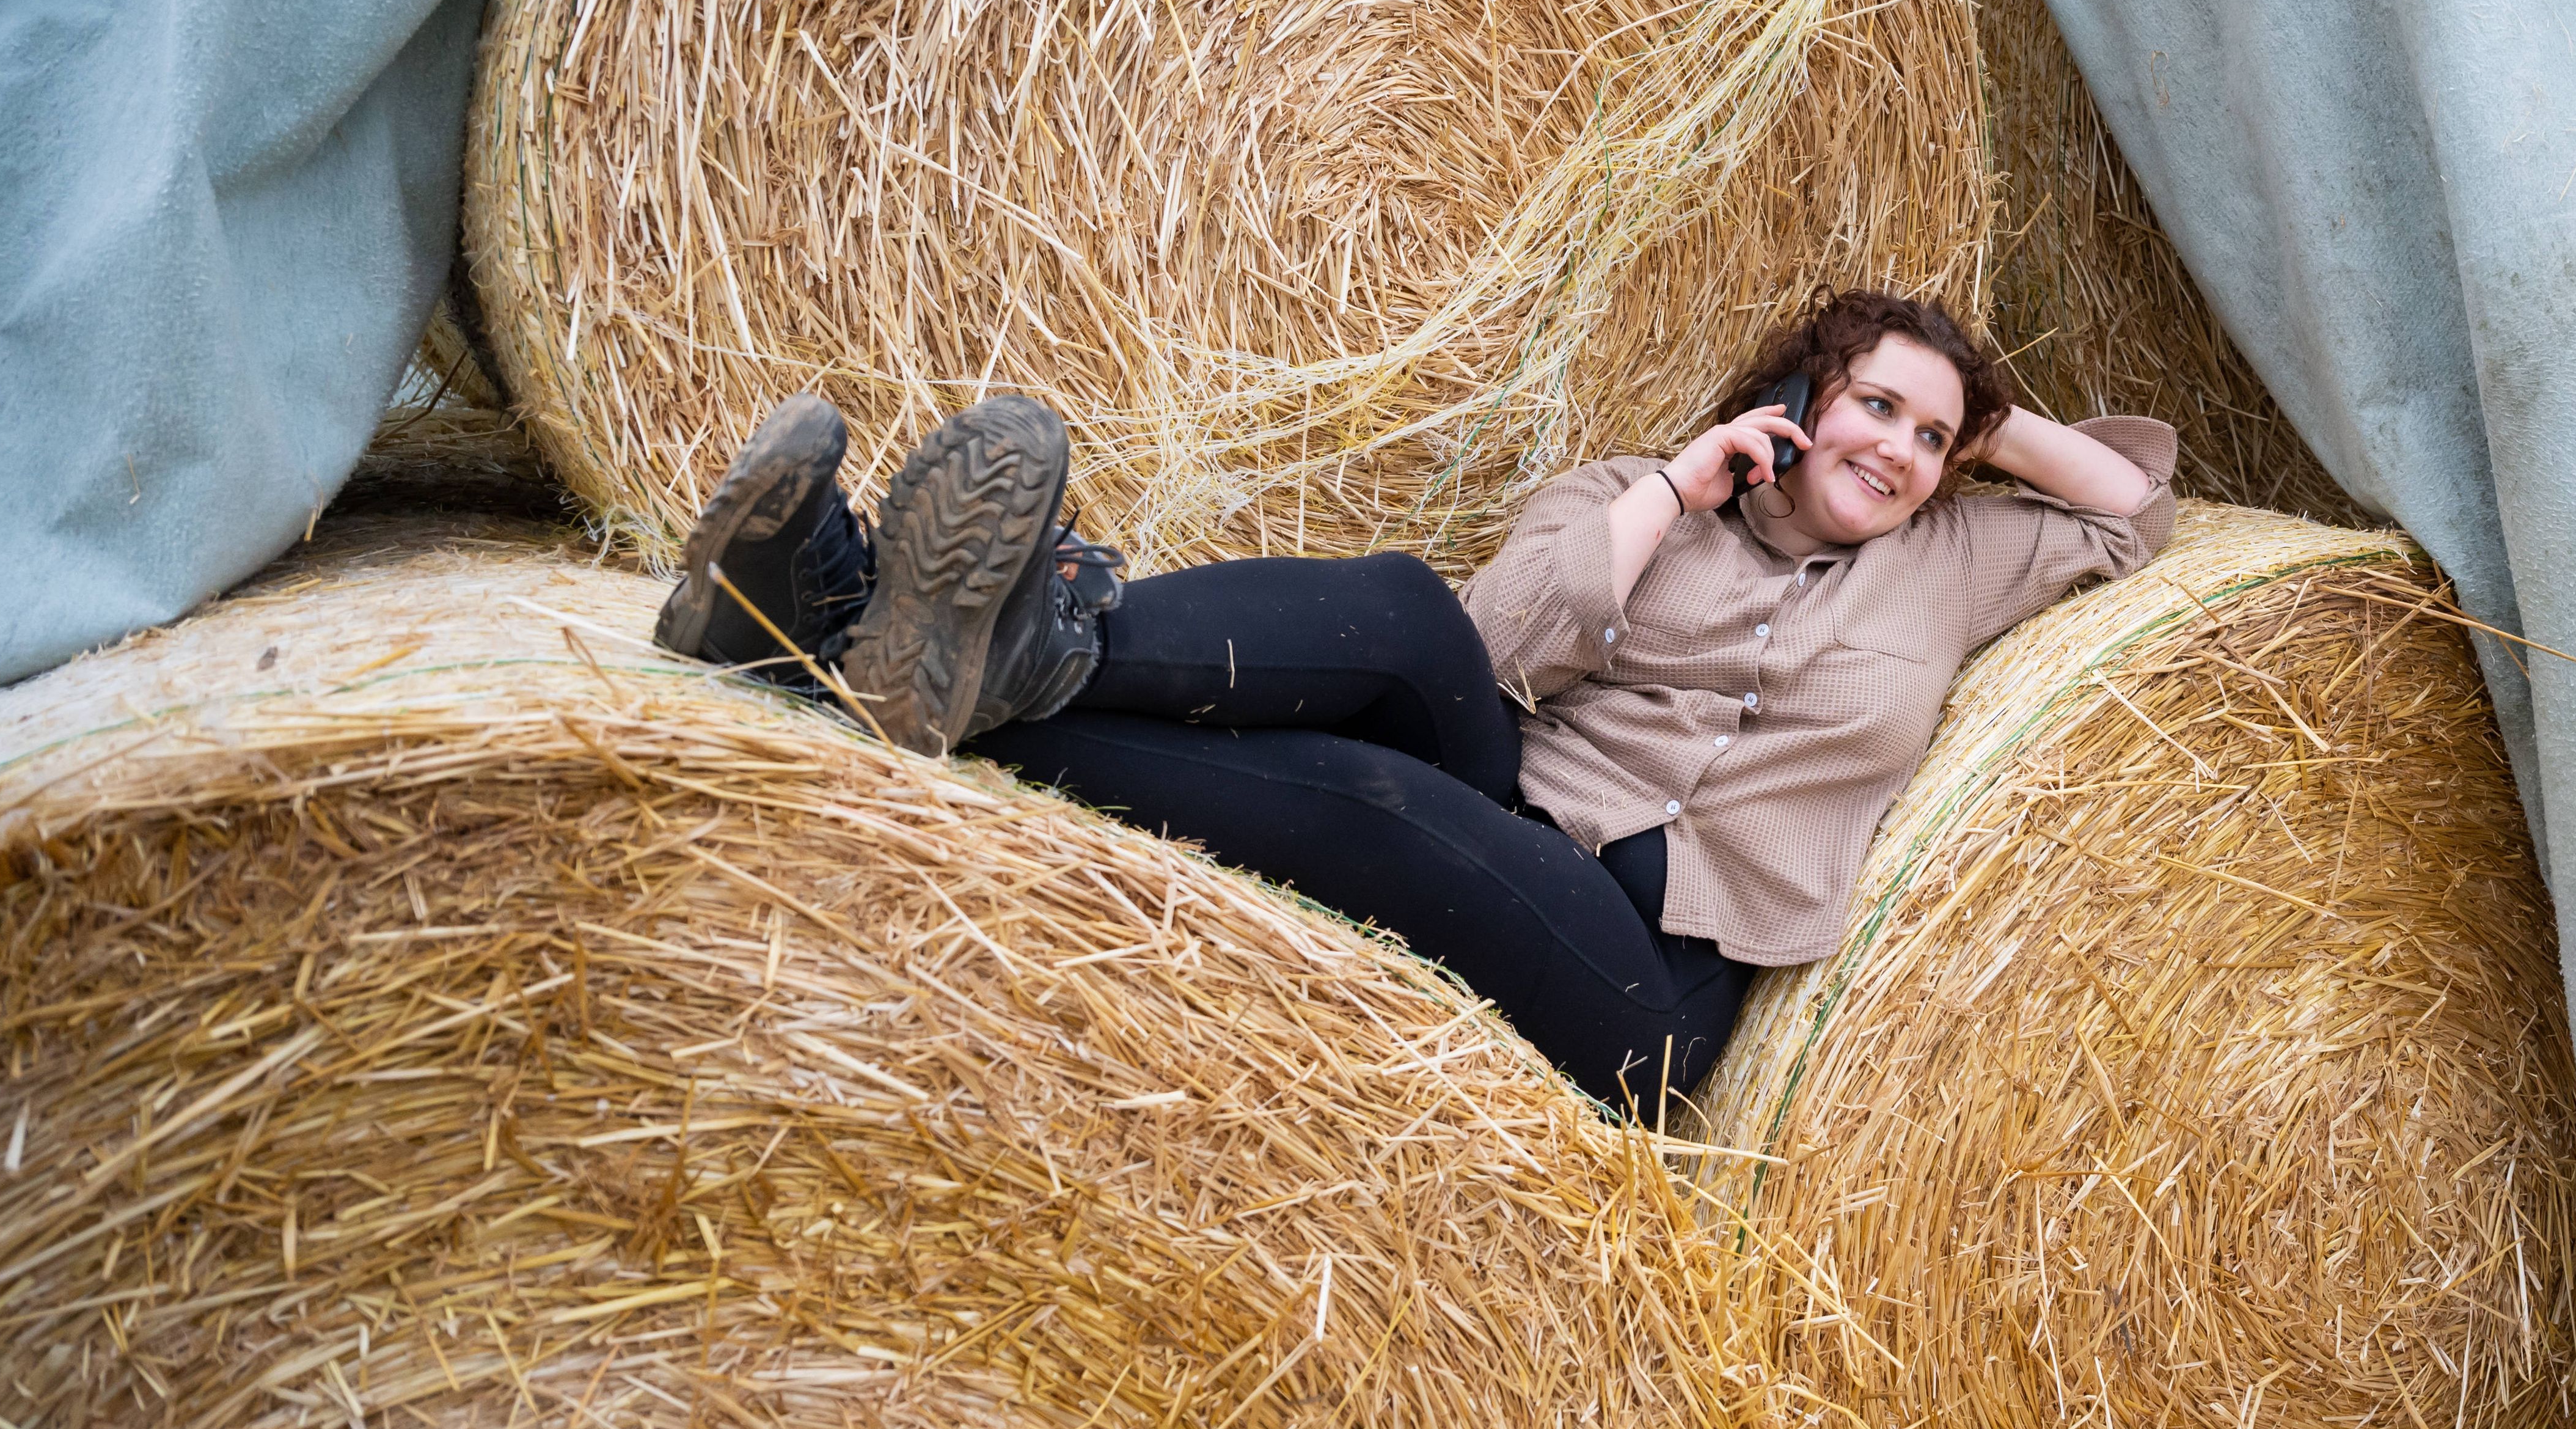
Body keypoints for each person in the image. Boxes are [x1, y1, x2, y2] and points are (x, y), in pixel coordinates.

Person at [652, 289, 2179, 1115]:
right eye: (1875, 405)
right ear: (1798, 399)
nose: (1899, 449)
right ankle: (911, 637)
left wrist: (1987, 416)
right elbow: (1498, 644)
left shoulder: (1952, 561)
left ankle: (842, 625)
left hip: (1645, 987)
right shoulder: (1639, 497)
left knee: (1369, 800)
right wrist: (1676, 489)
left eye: (1931, 436)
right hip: (1516, 802)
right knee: (1398, 611)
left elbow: (2132, 507)